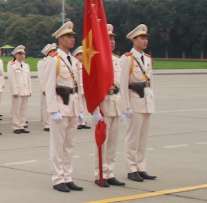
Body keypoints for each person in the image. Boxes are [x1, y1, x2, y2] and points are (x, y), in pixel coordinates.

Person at [43, 21, 85, 193]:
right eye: (68, 36)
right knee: (58, 145)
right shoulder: (54, 60)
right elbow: (49, 85)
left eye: (73, 36)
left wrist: (81, 109)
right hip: (61, 106)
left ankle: (68, 176)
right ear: (60, 39)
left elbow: (78, 87)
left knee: (69, 145)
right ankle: (58, 178)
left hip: (73, 106)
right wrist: (53, 110)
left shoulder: (74, 61)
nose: (72, 39)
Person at [120, 24, 157, 183]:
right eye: (142, 38)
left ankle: (141, 167)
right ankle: (131, 168)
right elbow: (123, 84)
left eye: (146, 38)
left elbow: (150, 82)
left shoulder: (147, 58)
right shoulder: (127, 58)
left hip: (146, 101)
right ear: (134, 40)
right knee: (133, 138)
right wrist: (126, 106)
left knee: (143, 138)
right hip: (134, 102)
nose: (145, 41)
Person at [92, 24, 127, 187]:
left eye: (113, 38)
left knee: (113, 142)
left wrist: (124, 107)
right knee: (102, 142)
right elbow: (93, 85)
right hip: (104, 105)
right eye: (108, 38)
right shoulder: (97, 59)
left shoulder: (116, 59)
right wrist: (95, 109)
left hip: (116, 104)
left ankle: (110, 172)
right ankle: (100, 173)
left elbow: (122, 86)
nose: (112, 42)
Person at [8, 45, 32, 134]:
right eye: (20, 54)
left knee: (24, 109)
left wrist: (30, 90)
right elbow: (12, 79)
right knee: (16, 110)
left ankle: (22, 125)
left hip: (25, 90)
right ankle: (16, 126)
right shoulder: (12, 66)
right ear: (16, 55)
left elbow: (28, 79)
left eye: (23, 54)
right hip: (17, 91)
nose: (22, 56)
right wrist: (14, 91)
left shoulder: (26, 66)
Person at [37, 44, 56, 132]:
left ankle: (52, 122)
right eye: (52, 52)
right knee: (45, 106)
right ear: (48, 53)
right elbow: (42, 76)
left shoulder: (55, 61)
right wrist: (43, 88)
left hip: (54, 87)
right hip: (46, 87)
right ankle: (46, 124)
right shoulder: (42, 62)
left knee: (53, 105)